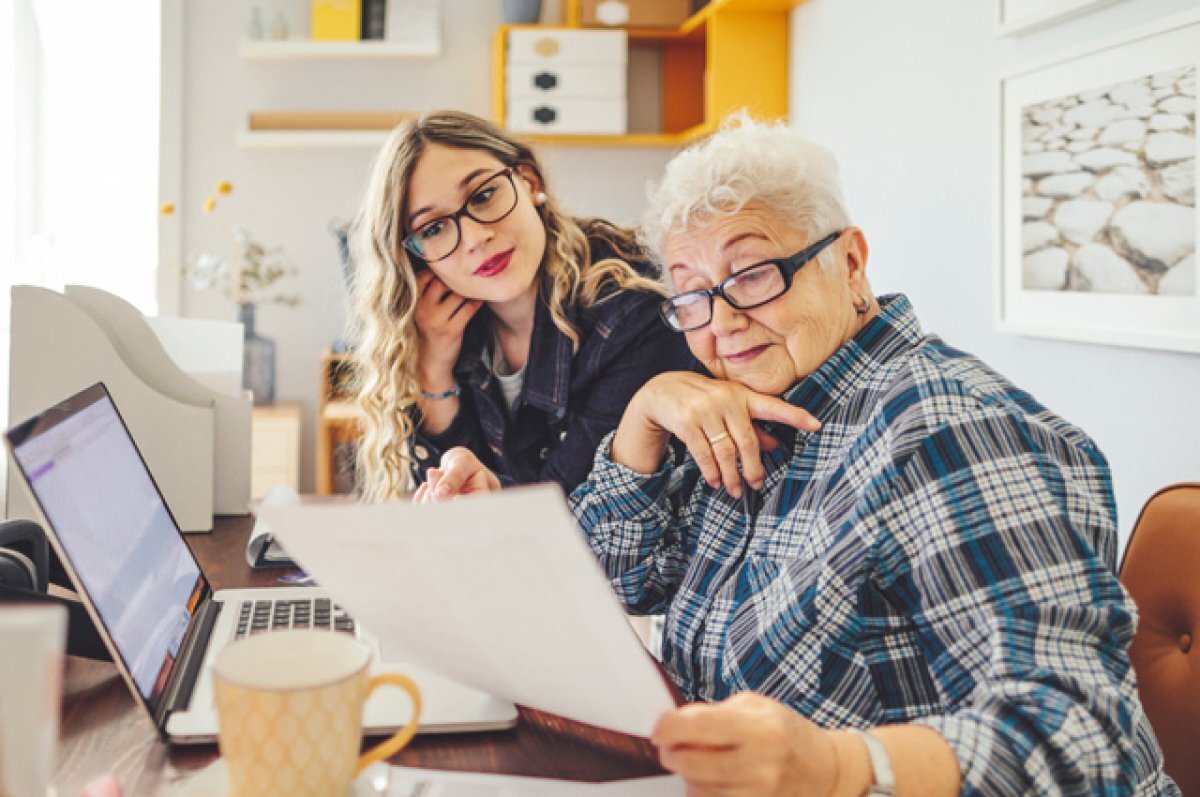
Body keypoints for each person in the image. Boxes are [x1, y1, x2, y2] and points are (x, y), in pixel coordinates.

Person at [420, 115, 1176, 794]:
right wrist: (643, 421)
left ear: (851, 264)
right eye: (691, 295)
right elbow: (624, 576)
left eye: (752, 274)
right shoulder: (766, 405)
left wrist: (840, 765)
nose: (722, 322)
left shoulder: (944, 427)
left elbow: (1087, 736)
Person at [349, 111, 693, 501]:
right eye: (433, 228)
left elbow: (575, 512)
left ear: (529, 183)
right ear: (415, 258)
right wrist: (433, 372)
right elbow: (452, 497)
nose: (476, 238)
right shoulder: (447, 325)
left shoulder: (630, 313)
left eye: (483, 195)